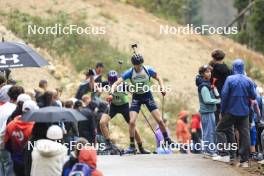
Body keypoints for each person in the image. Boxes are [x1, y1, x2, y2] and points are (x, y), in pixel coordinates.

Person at [109, 53, 173, 154]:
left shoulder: (148, 69)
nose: (139, 66)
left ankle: (167, 140)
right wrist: (111, 93)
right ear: (133, 65)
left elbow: (158, 77)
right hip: (137, 97)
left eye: (140, 64)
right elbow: (116, 83)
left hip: (147, 96)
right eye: (137, 65)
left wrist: (162, 87)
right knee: (132, 122)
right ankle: (131, 146)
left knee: (160, 120)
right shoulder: (129, 72)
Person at [213, 59, 256, 168]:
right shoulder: (249, 80)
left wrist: (222, 111)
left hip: (231, 111)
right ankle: (244, 161)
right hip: (244, 112)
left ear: (233, 68)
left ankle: (224, 153)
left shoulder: (230, 79)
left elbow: (224, 95)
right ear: (243, 68)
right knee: (244, 135)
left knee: (220, 129)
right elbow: (254, 96)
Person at [100, 70, 149, 154]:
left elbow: (134, 92)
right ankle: (108, 144)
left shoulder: (123, 85)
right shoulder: (106, 84)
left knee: (132, 125)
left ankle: (141, 147)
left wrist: (139, 99)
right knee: (102, 122)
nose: (112, 84)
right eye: (110, 82)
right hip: (113, 106)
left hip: (124, 106)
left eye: (114, 82)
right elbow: (94, 88)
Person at [5, 100, 38, 176]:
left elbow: (7, 144)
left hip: (16, 160)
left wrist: (14, 153)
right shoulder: (34, 128)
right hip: (30, 161)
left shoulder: (11, 124)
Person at [195, 65, 220, 158]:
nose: (209, 73)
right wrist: (218, 101)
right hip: (207, 112)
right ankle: (209, 151)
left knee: (208, 131)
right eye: (206, 72)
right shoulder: (204, 86)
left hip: (209, 111)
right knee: (209, 132)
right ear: (202, 73)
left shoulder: (207, 84)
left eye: (210, 71)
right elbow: (207, 100)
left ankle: (207, 150)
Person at [0, 85, 24, 176]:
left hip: (1, 143)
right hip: (7, 144)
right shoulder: (15, 110)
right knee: (9, 171)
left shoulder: (2, 107)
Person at [209, 49, 231, 125]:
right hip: (225, 96)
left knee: (216, 120)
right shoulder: (227, 69)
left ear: (214, 58)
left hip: (215, 96)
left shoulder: (212, 70)